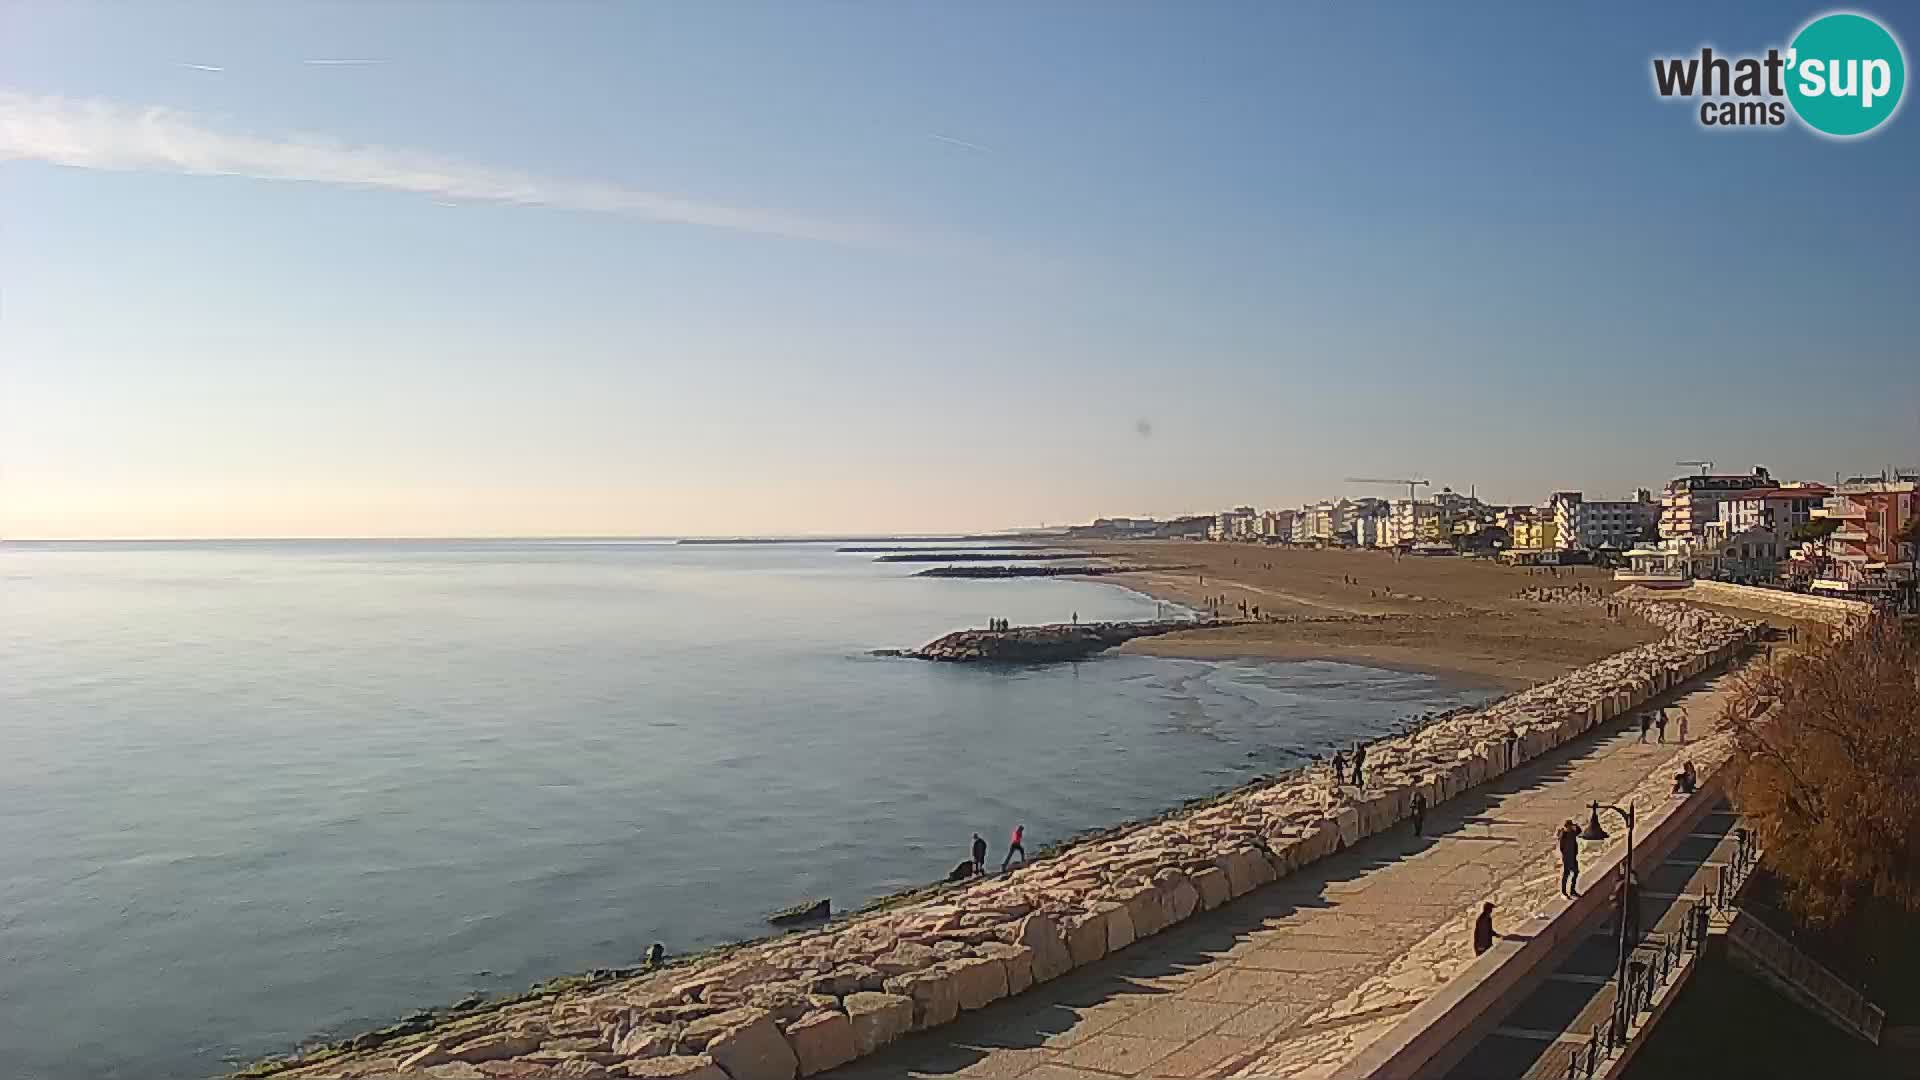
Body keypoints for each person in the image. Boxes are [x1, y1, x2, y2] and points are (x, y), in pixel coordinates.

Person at [1558, 820, 1581, 897]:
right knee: (1566, 874)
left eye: (1571, 826)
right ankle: (1564, 891)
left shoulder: (1572, 833)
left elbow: (1579, 831)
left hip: (1573, 857)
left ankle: (1572, 890)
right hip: (1568, 858)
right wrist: (1566, 855)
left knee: (1576, 872)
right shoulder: (1563, 835)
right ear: (1566, 827)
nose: (1570, 828)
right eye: (1569, 826)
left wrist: (1576, 825)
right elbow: (1561, 848)